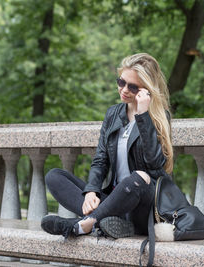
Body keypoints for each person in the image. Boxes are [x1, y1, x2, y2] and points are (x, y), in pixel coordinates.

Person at [41, 53, 173, 239]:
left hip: (144, 205)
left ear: (147, 90)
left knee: (139, 176)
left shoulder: (159, 117)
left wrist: (143, 116)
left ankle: (84, 224)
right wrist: (91, 191)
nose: (124, 90)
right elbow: (100, 159)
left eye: (132, 87)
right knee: (54, 176)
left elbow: (154, 165)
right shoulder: (113, 114)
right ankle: (105, 222)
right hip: (114, 202)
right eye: (121, 82)